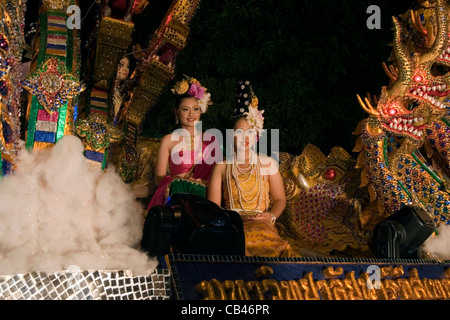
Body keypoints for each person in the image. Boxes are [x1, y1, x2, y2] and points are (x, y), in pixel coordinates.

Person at [207, 80, 295, 257]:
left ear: (256, 135)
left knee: (273, 248)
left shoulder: (268, 164)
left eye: (249, 132)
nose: (244, 137)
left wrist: (271, 217)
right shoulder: (222, 166)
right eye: (239, 132)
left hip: (262, 223)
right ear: (231, 136)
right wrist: (228, 220)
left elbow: (279, 199)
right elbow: (213, 207)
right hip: (232, 223)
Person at [146, 76, 216, 211]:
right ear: (176, 112)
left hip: (202, 195)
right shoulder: (169, 140)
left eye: (196, 109)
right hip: (176, 193)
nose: (191, 114)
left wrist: (202, 183)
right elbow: (159, 179)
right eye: (185, 109)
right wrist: (179, 182)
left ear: (201, 110)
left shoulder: (210, 140)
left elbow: (215, 177)